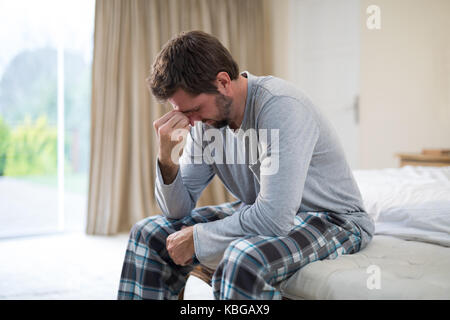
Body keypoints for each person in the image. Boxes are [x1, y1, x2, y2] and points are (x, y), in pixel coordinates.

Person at [117, 30, 374, 300]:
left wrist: (199, 238)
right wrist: (166, 156)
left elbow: (275, 218)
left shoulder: (280, 107)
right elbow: (177, 210)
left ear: (223, 82)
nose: (190, 122)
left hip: (333, 218)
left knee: (242, 259)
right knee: (148, 234)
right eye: (183, 113)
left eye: (194, 109)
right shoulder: (206, 125)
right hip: (263, 210)